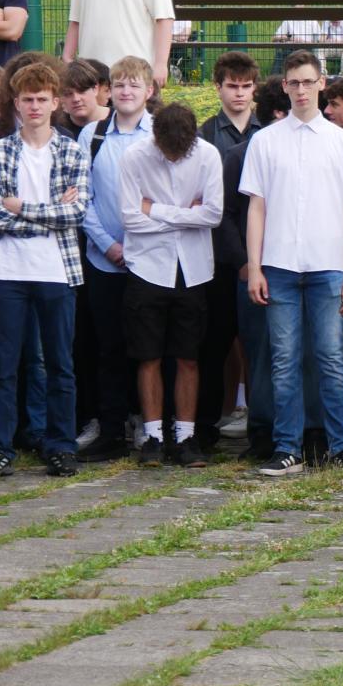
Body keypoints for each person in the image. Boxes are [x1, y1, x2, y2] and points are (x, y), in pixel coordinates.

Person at [241, 50, 343, 476]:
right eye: (293, 83)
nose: (300, 90)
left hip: (327, 265)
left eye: (307, 82)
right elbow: (257, 208)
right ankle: (287, 447)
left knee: (331, 357)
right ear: (284, 86)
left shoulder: (342, 143)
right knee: (284, 359)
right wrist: (255, 266)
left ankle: (341, 446)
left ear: (321, 84)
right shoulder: (265, 141)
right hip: (279, 264)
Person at [0, 59, 87, 480]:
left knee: (59, 364)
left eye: (42, 99)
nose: (35, 106)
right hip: (6, 271)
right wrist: (48, 211)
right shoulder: (0, 151)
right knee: (1, 366)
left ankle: (61, 446)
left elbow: (76, 213)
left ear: (55, 102)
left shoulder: (71, 150)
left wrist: (21, 206)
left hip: (56, 270)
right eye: (27, 100)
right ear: (16, 103)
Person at [119, 103, 223, 468]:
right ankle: (154, 436)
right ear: (156, 137)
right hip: (147, 267)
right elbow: (130, 218)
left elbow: (213, 214)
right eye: (168, 151)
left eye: (182, 151)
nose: (175, 158)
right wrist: (187, 215)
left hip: (193, 269)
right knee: (147, 355)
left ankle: (186, 436)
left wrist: (155, 209)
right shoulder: (135, 156)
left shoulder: (207, 155)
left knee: (188, 356)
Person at [76, 57, 156, 461]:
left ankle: (148, 423)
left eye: (134, 85)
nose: (126, 92)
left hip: (152, 260)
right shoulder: (92, 135)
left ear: (149, 91)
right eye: (119, 84)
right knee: (108, 346)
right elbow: (82, 196)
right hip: (105, 259)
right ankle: (111, 429)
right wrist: (108, 244)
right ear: (109, 90)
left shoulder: (159, 134)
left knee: (147, 347)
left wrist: (140, 244)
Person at [219, 76, 289, 461]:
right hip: (255, 271)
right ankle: (261, 433)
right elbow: (227, 215)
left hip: (297, 268)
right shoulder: (241, 155)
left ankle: (299, 431)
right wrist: (244, 262)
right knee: (259, 354)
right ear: (278, 114)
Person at [196, 51, 264, 446]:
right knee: (214, 342)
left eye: (245, 86)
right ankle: (206, 426)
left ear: (255, 89)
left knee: (261, 345)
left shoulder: (267, 130)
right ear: (218, 87)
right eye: (231, 86)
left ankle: (261, 424)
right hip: (218, 255)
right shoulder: (205, 134)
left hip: (262, 254)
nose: (239, 93)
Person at [58, 60, 110, 133]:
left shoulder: (119, 120)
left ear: (95, 89)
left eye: (81, 91)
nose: (76, 99)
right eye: (68, 94)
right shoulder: (57, 129)